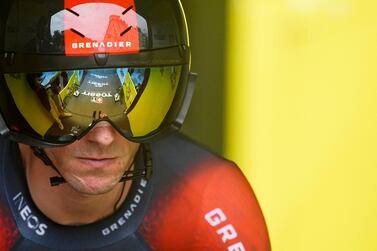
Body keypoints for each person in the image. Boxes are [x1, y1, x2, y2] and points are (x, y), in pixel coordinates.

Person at [0, 0, 271, 250]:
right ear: (26, 99)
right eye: (73, 106)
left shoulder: (207, 196)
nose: (103, 137)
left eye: (126, 105)